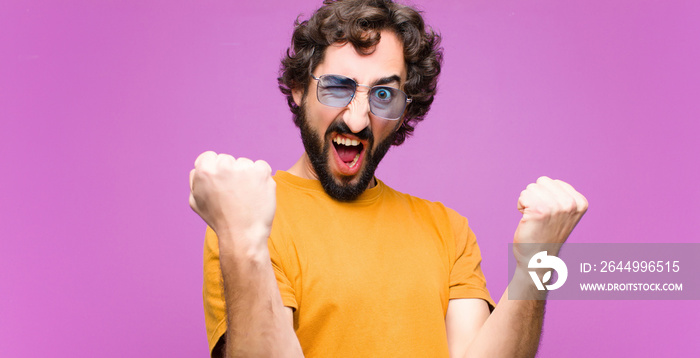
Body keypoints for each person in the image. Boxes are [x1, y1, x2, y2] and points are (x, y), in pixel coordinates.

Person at [188, 0, 588, 357]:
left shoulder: (448, 230)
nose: (358, 118)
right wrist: (243, 242)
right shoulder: (248, 219)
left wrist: (537, 264)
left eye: (383, 95)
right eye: (337, 87)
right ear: (298, 88)